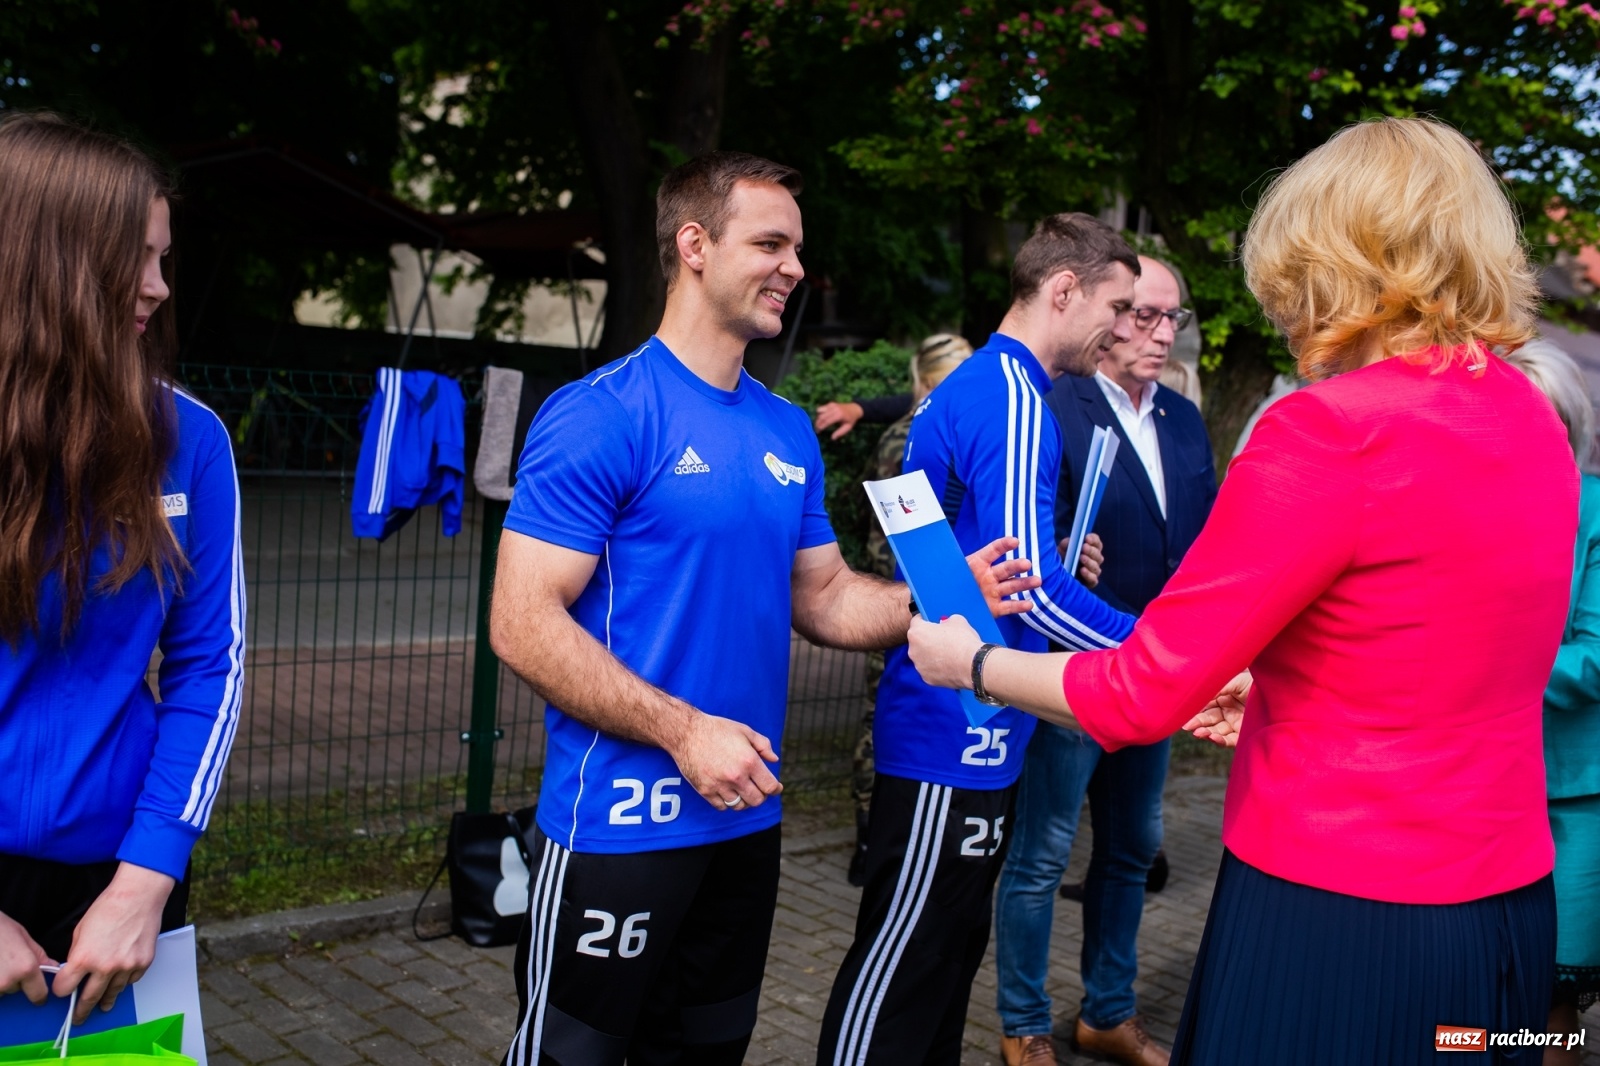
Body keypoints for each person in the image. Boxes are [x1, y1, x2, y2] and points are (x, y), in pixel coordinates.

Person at [904, 116, 1576, 1066]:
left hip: (1341, 915)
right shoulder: (1530, 416)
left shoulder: (1330, 431)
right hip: (1505, 918)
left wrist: (974, 661)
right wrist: (1274, 687)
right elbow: (1432, 639)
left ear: (1335, 264)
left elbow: (1139, 692)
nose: (1281, 311)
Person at [489, 151, 1038, 1066]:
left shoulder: (786, 429)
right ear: (695, 245)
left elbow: (822, 596)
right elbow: (521, 620)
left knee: (708, 1050)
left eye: (798, 248)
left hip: (745, 821)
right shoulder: (603, 413)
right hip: (617, 826)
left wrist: (939, 598)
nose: (794, 267)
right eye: (771, 243)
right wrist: (681, 730)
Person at [817, 213, 1142, 1066]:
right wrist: (1160, 653)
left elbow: (987, 559)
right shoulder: (1015, 395)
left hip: (966, 720)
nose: (1120, 329)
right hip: (951, 728)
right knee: (902, 970)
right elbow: (1032, 594)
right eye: (1117, 306)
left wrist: (1064, 557)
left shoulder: (983, 387)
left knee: (941, 967)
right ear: (1064, 291)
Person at [0, 113, 246, 1024]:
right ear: (50, 258)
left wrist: (147, 880)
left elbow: (207, 670)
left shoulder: (191, 441)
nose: (157, 287)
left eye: (164, 258)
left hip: (124, 880)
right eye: (138, 259)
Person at [997, 257, 1217, 1066]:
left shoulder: (1185, 419)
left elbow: (1205, 543)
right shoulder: (1055, 404)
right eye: (1144, 315)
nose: (1162, 333)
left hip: (1157, 672)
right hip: (1070, 674)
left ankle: (1107, 1014)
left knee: (1131, 849)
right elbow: (1018, 534)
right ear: (1110, 312)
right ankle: (1023, 1025)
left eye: (1173, 319)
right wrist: (1056, 549)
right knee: (1042, 855)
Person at [1499, 340, 1600, 1066]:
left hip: (1568, 796)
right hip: (1472, 785)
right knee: (1474, 993)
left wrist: (1477, 666)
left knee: (1548, 1005)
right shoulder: (1468, 503)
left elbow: (1594, 658)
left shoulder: (1594, 511)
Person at [850, 332, 975, 886]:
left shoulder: (954, 428)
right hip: (904, 596)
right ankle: (870, 830)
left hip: (942, 592)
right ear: (926, 382)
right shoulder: (910, 436)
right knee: (886, 708)